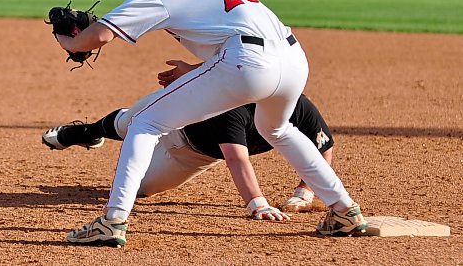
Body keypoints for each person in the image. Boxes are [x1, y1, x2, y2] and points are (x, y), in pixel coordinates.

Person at [53, 0, 367, 247]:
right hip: (292, 58)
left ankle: (113, 220)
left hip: (247, 61)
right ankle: (344, 211)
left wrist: (71, 43)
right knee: (277, 129)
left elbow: (101, 35)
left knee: (145, 123)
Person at [43, 91, 334, 221]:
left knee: (140, 188)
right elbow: (236, 159)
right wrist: (257, 205)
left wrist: (305, 192)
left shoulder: (298, 106)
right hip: (176, 125)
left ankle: (126, 137)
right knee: (131, 121)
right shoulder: (235, 109)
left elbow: (323, 146)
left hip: (191, 156)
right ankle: (86, 133)